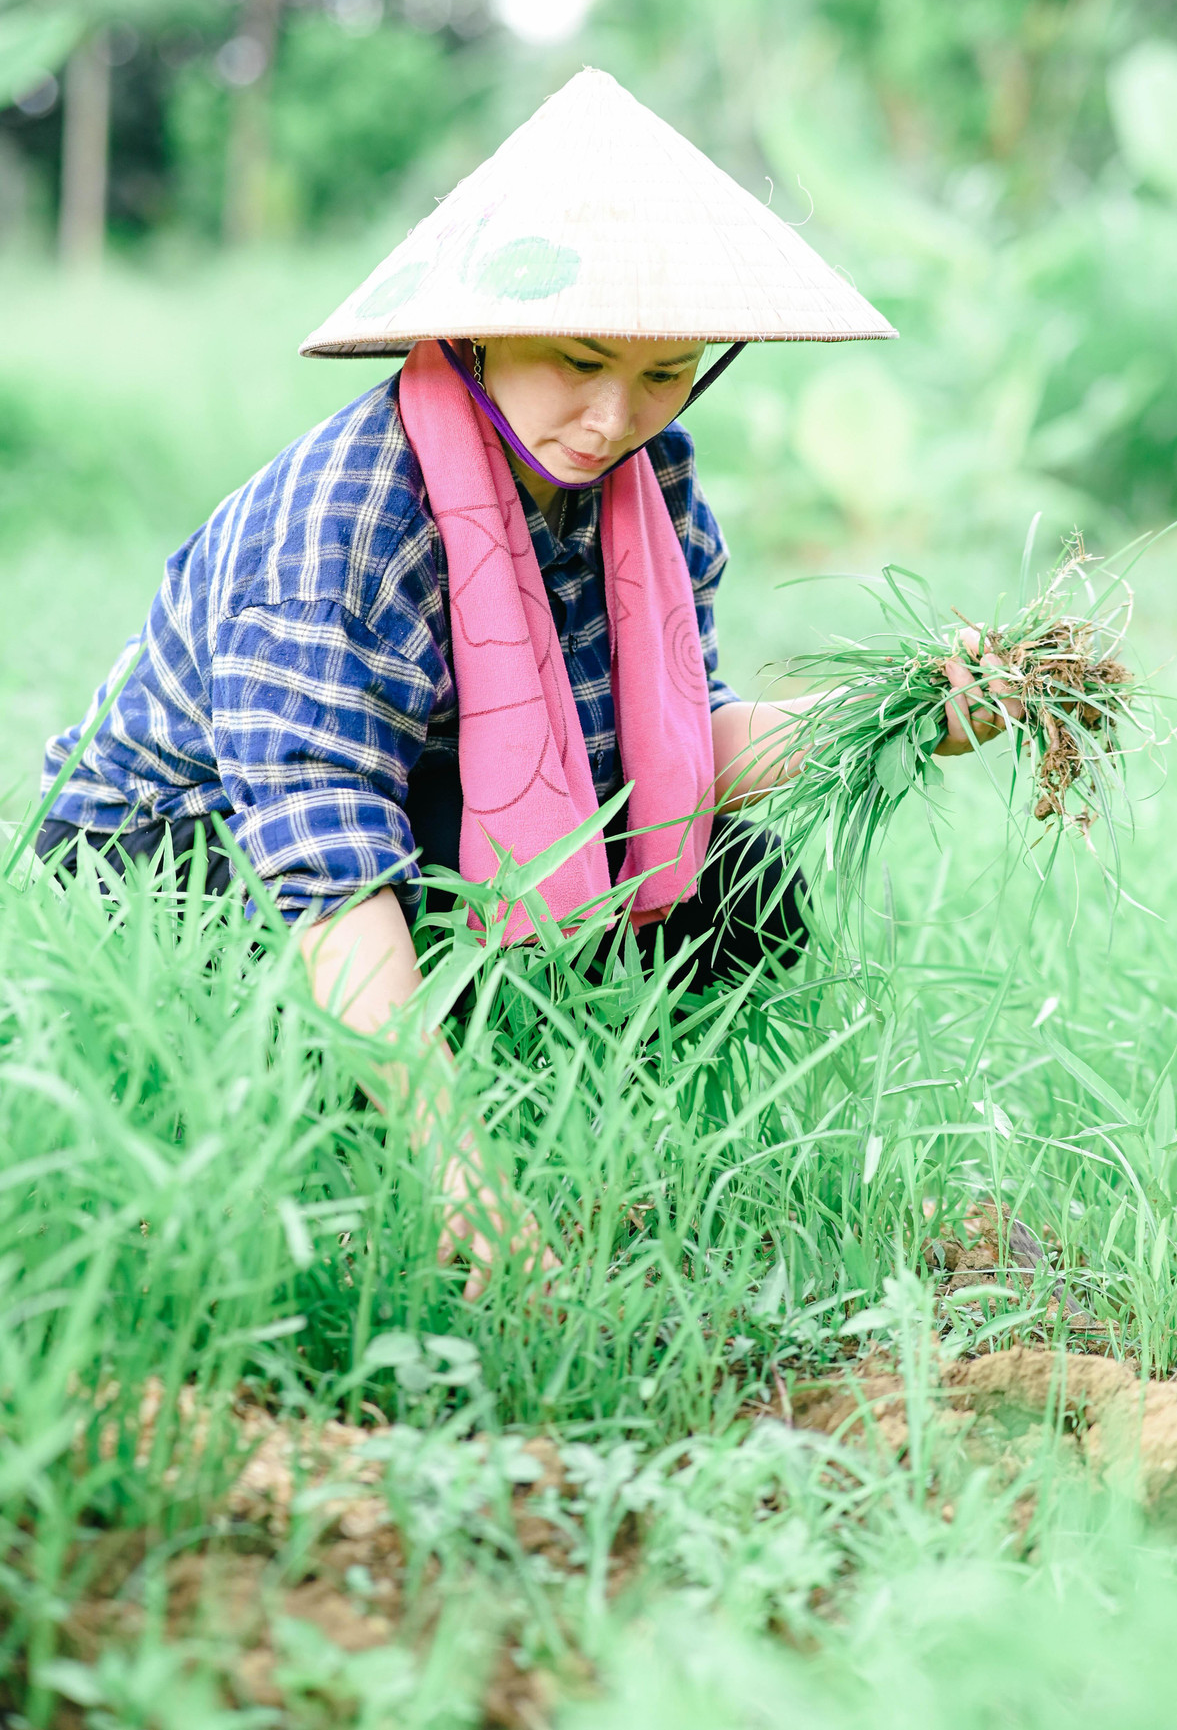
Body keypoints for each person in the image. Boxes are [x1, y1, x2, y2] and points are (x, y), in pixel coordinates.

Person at [35, 69, 1014, 1289]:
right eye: (576, 361)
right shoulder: (350, 524)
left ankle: (599, 1128)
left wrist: (916, 711)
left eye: (664, 376)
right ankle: (383, 1147)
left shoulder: (649, 488)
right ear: (479, 330)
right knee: (292, 978)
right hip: (186, 861)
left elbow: (668, 762)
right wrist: (461, 1177)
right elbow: (326, 870)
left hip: (423, 816)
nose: (610, 419)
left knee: (739, 887)